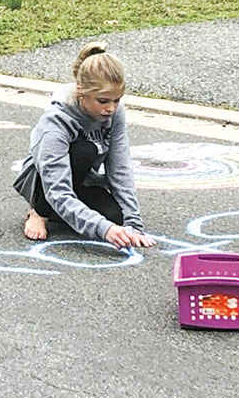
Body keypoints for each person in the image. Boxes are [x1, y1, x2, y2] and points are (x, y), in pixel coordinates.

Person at [13, 41, 155, 250]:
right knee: (84, 150)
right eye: (103, 100)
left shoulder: (115, 112)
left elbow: (120, 168)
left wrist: (133, 223)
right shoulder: (57, 122)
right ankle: (40, 212)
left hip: (83, 180)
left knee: (115, 218)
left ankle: (65, 212)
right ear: (81, 91)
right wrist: (103, 229)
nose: (111, 108)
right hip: (44, 183)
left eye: (117, 100)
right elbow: (57, 189)